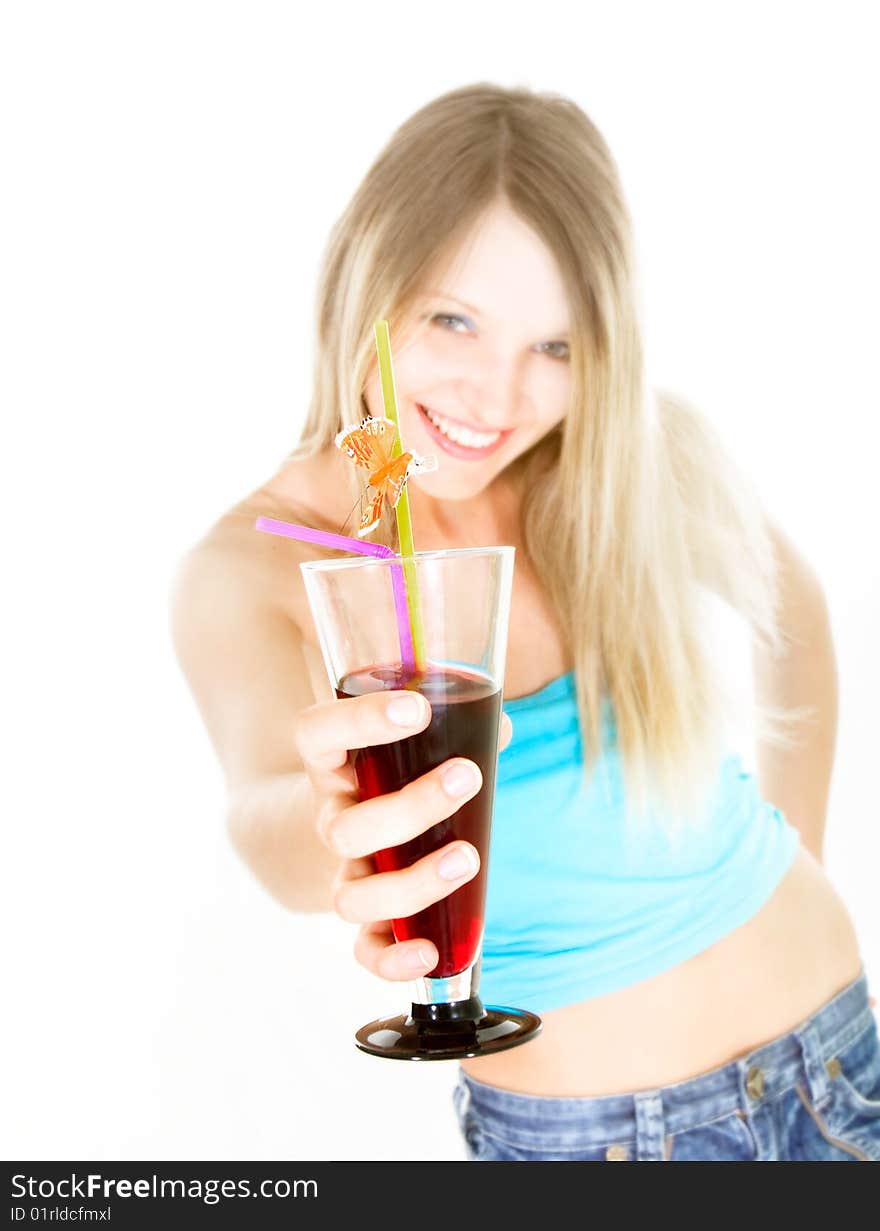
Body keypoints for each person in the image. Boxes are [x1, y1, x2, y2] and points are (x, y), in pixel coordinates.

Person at [171, 83, 880, 1161]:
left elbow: (799, 616)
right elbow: (267, 813)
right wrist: (336, 828)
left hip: (838, 1060)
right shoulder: (256, 567)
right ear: (368, 282)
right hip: (604, 1141)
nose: (496, 395)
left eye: (554, 346)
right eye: (455, 319)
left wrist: (803, 860)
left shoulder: (620, 461)